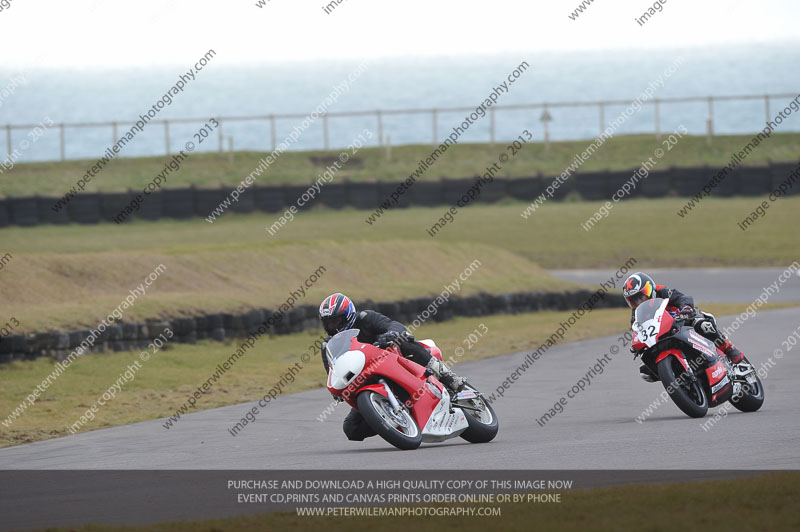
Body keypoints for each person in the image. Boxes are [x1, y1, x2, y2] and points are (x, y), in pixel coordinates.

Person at [318, 292, 466, 441]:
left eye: (336, 321)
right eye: (328, 323)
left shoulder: (365, 318)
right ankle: (389, 421)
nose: (332, 326)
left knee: (405, 341)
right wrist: (337, 389)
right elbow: (332, 371)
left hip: (391, 358)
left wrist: (391, 334)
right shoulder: (328, 345)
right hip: (364, 380)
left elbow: (393, 325)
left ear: (348, 315)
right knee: (351, 428)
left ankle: (449, 377)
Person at [622, 272, 744, 383]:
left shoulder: (662, 292)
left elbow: (682, 298)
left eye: (642, 296)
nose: (640, 301)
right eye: (634, 300)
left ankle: (730, 349)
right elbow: (638, 330)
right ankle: (680, 378)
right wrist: (637, 345)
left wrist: (686, 308)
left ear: (650, 288)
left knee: (704, 326)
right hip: (664, 335)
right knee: (645, 371)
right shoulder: (636, 314)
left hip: (685, 319)